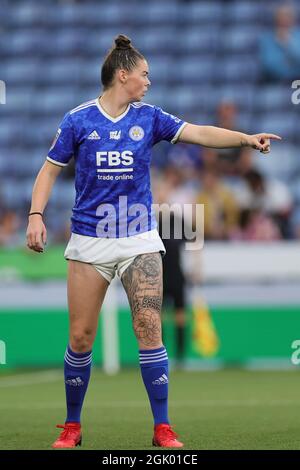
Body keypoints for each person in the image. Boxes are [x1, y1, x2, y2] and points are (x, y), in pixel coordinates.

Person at [26, 34, 281, 449]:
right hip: (90, 239)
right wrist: (35, 215)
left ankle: (163, 427)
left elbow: (198, 132)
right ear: (122, 75)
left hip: (139, 238)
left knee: (149, 329)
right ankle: (72, 426)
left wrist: (244, 138)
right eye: (144, 74)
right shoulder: (78, 120)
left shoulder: (150, 117)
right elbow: (49, 171)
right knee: (81, 338)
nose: (149, 80)